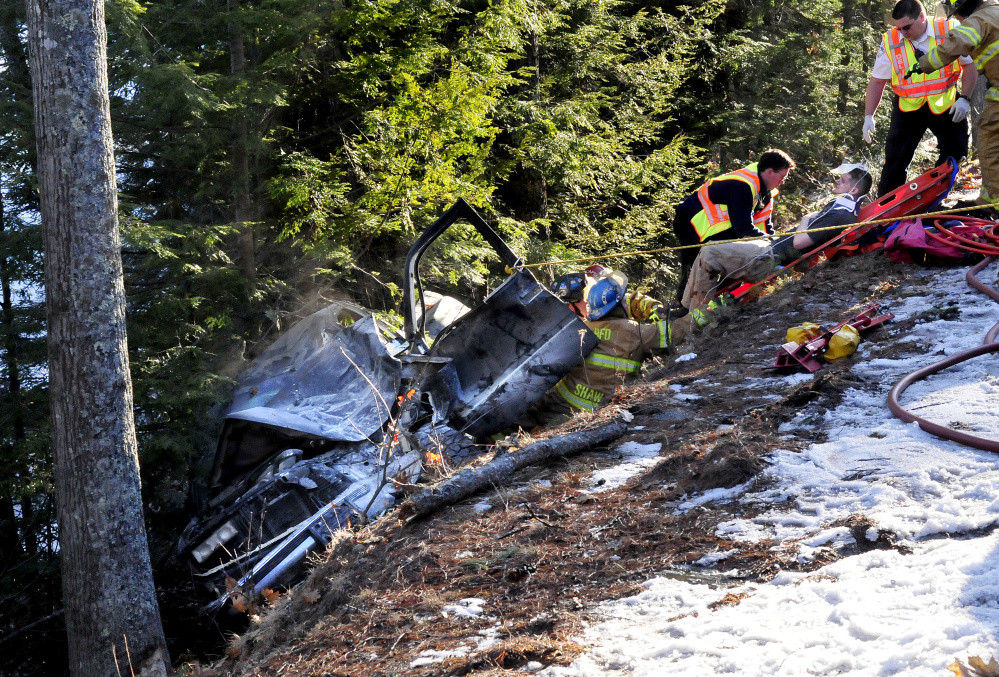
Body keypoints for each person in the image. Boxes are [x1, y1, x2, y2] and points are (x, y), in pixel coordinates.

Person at [525, 268, 683, 422]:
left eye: (573, 303)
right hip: (593, 411)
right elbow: (677, 331)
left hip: (563, 407)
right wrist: (704, 311)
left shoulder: (581, 327)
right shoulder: (636, 331)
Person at [863, 0, 976, 197]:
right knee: (895, 161)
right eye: (898, 28)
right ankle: (886, 211)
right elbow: (877, 81)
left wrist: (965, 98)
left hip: (944, 103)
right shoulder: (891, 40)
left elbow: (970, 66)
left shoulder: (948, 30)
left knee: (956, 152)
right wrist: (868, 116)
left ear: (922, 17)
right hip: (908, 107)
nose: (903, 33)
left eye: (907, 27)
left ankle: (934, 197)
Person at [671, 149, 795, 311]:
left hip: (719, 228)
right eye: (782, 177)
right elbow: (743, 229)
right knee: (697, 265)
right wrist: (774, 246)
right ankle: (683, 308)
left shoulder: (765, 194)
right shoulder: (743, 186)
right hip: (690, 223)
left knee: (725, 257)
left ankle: (707, 302)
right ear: (770, 172)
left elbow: (764, 227)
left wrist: (777, 247)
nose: (783, 182)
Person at [912, 0, 999, 204]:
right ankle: (989, 202)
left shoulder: (979, 20)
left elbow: (957, 41)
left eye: (958, 13)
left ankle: (993, 205)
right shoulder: (995, 11)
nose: (959, 19)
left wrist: (923, 63)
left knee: (990, 146)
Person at [770, 163, 874, 265]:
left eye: (842, 181)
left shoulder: (840, 215)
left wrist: (806, 218)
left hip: (770, 256)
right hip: (773, 247)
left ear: (854, 190)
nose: (837, 181)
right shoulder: (842, 210)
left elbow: (798, 243)